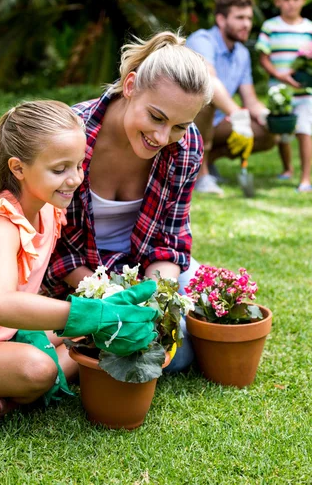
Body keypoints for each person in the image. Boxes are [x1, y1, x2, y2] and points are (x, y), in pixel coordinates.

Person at [0, 100, 159, 428]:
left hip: (10, 335)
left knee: (90, 338)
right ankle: (20, 386)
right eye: (60, 169)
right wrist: (91, 315)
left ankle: (9, 395)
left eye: (79, 165)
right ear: (18, 168)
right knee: (39, 368)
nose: (75, 179)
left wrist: (103, 309)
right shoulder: (0, 223)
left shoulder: (49, 209)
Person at [43, 31, 213, 372]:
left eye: (180, 125)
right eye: (156, 117)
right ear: (131, 85)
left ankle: (82, 352)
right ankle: (47, 366)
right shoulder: (73, 134)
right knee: (132, 336)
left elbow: (170, 241)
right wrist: (110, 301)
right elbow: (57, 248)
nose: (163, 138)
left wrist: (153, 299)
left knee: (179, 352)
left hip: (142, 271)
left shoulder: (187, 146)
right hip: (76, 274)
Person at [186, 0, 274, 195]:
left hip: (218, 124)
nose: (247, 24)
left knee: (267, 133)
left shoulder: (242, 54)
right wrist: (238, 116)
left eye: (249, 18)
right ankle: (201, 176)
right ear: (221, 19)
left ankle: (205, 162)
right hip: (187, 123)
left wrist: (268, 116)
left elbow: (250, 99)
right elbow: (209, 80)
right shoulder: (202, 40)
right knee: (206, 99)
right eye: (240, 18)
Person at [256, 0, 312, 192]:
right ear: (277, 1)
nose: (290, 3)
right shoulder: (270, 26)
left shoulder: (311, 28)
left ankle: (305, 178)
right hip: (280, 91)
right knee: (282, 133)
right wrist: (278, 75)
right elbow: (263, 56)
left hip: (303, 91)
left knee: (304, 130)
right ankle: (287, 169)